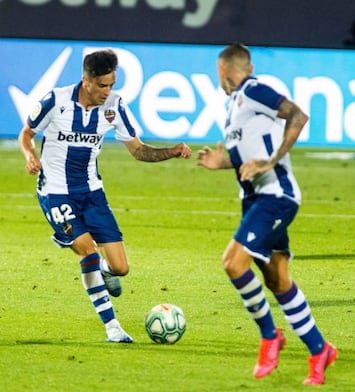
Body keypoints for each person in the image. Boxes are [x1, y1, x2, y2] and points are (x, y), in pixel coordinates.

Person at [18, 49, 192, 344]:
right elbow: (26, 133)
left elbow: (138, 150)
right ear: (86, 80)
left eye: (112, 85)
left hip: (92, 193)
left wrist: (171, 152)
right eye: (102, 85)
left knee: (120, 268)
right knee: (87, 249)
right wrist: (30, 155)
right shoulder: (56, 100)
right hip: (55, 192)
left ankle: (103, 271)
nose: (107, 92)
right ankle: (113, 328)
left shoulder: (114, 106)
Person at [196, 43, 337, 385]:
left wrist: (272, 162)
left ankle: (270, 335)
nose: (219, 80)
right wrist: (223, 162)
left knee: (233, 263)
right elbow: (248, 155)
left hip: (276, 197)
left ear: (226, 71)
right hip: (255, 199)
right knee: (277, 279)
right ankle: (320, 350)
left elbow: (298, 115)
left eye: (219, 75)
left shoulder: (254, 90)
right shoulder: (235, 106)